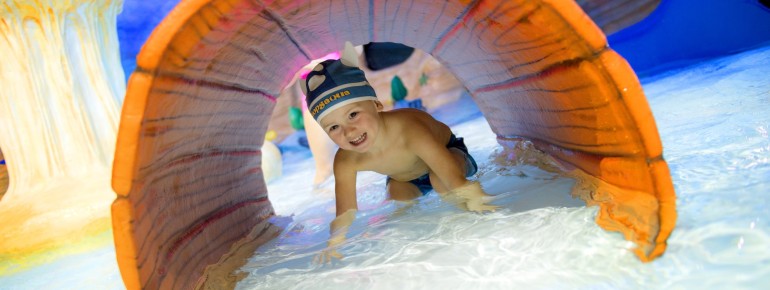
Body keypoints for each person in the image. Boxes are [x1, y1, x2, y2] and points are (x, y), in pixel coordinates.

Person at [302, 42, 497, 263]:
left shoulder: (408, 130)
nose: (349, 131)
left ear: (376, 105)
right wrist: (335, 242)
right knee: (398, 207)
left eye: (353, 114)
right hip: (404, 178)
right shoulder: (346, 159)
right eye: (334, 127)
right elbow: (346, 212)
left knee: (443, 182)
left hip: (448, 155)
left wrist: (474, 198)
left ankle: (474, 236)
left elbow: (452, 176)